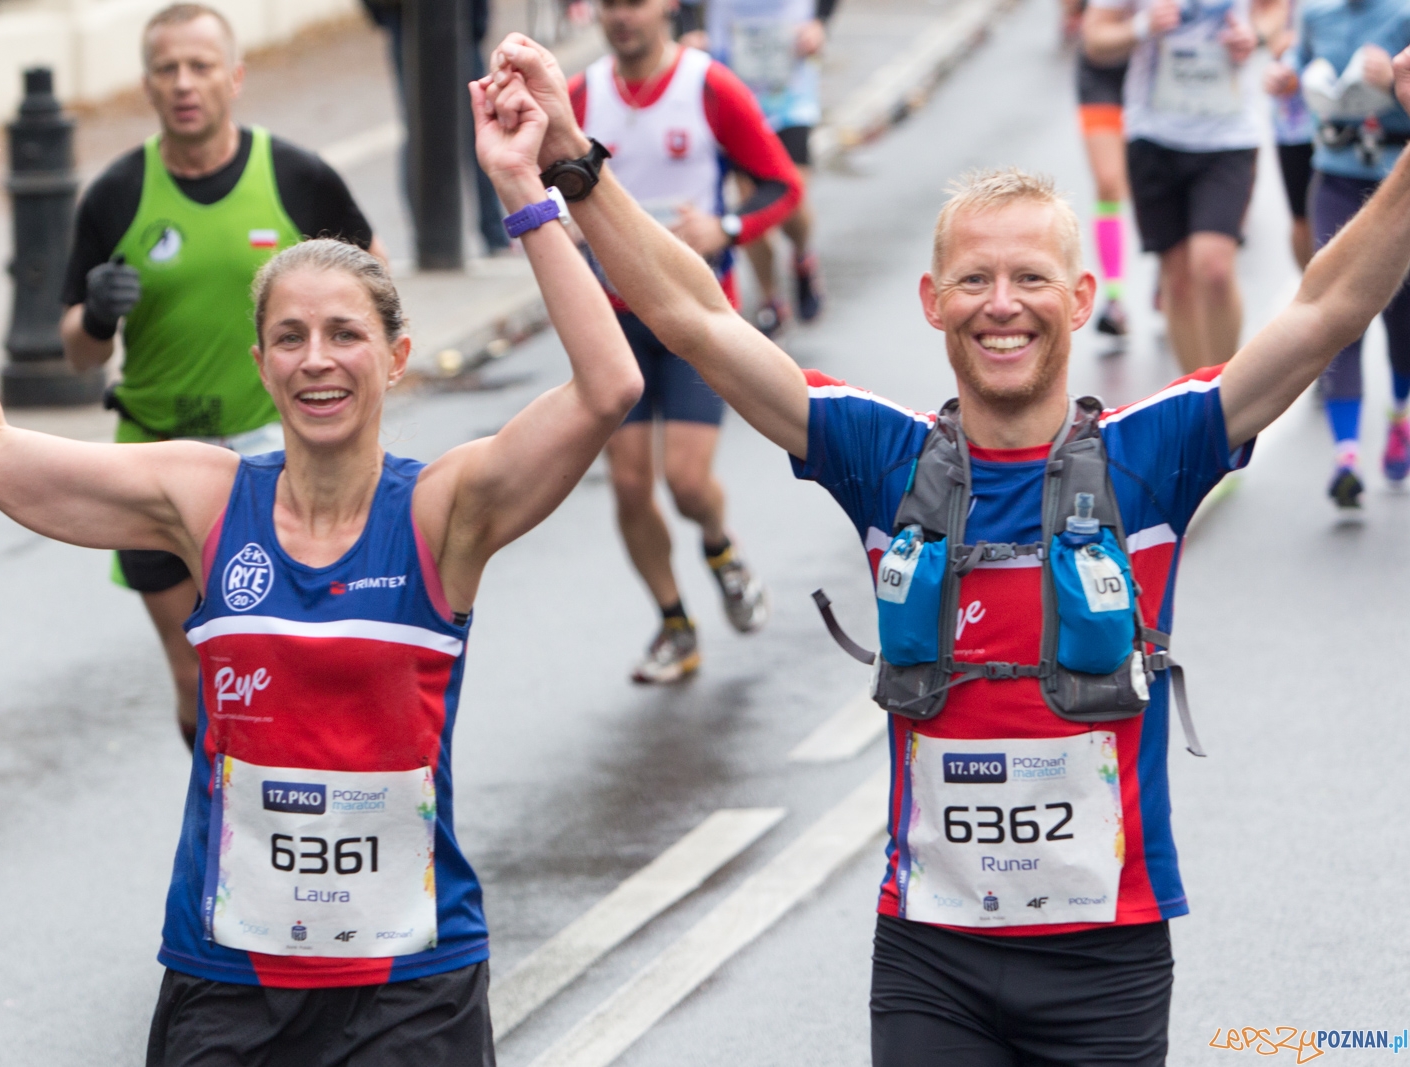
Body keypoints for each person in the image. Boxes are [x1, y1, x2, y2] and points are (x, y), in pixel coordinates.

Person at [485, 33, 1410, 1063]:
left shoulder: (1155, 451)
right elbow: (693, 316)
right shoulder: (884, 457)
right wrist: (574, 160)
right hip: (931, 957)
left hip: (1106, 955)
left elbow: (1328, 308)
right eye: (972, 279)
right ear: (933, 304)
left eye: (1028, 277)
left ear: (1079, 298)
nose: (1000, 304)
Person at [0, 75, 641, 1064]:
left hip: (408, 985)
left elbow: (610, 385)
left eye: (345, 334)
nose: (316, 360)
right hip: (230, 982)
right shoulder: (208, 500)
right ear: (261, 363)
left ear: (395, 357)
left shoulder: (441, 512)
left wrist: (523, 183)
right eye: (291, 337)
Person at [61, 3, 386, 747]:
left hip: (271, 455)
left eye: (201, 66)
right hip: (152, 459)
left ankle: (291, 795)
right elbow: (76, 351)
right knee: (197, 673)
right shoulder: (117, 194)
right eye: (167, 68)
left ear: (234, 78)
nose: (184, 83)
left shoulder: (296, 178)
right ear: (146, 84)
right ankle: (221, 813)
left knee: (281, 655)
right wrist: (99, 317)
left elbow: (375, 285)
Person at [573, 0, 800, 683]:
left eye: (635, 3)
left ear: (668, 5)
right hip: (613, 319)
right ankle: (674, 623)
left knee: (688, 481)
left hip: (697, 316)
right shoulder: (580, 94)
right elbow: (537, 193)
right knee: (631, 484)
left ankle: (720, 549)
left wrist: (724, 229)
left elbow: (781, 185)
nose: (622, 18)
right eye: (610, 5)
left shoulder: (708, 85)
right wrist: (563, 222)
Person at [1083, 0, 1279, 372]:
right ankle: (1195, 400)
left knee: (1215, 267)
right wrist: (1142, 25)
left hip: (1228, 135)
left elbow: (1275, 9)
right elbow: (1095, 38)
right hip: (1154, 136)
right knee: (1179, 280)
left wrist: (1257, 35)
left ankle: (1226, 395)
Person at [1269, 0, 1410, 508]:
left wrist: (1393, 80)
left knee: (1402, 320)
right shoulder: (1315, 13)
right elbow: (1301, 68)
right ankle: (1346, 456)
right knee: (1337, 312)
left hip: (1397, 175)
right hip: (1336, 174)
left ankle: (1399, 415)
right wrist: (1287, 78)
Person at [678, 0, 833, 333]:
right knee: (752, 200)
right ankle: (770, 299)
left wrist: (820, 22)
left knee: (791, 194)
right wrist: (688, 31)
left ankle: (803, 256)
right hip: (732, 85)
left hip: (789, 88)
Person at [361, 0, 513, 254]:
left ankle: (490, 231)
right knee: (438, 129)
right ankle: (435, 238)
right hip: (412, 23)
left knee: (472, 124)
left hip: (439, 22)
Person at [1065, 0, 1132, 338]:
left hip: (1160, 73)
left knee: (1150, 183)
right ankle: (1114, 298)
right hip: (1101, 71)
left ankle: (1169, 277)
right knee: (1109, 181)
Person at [1258, 0, 1316, 273]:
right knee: (1302, 219)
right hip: (1294, 124)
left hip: (1351, 121)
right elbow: (1269, 36)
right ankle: (1309, 291)